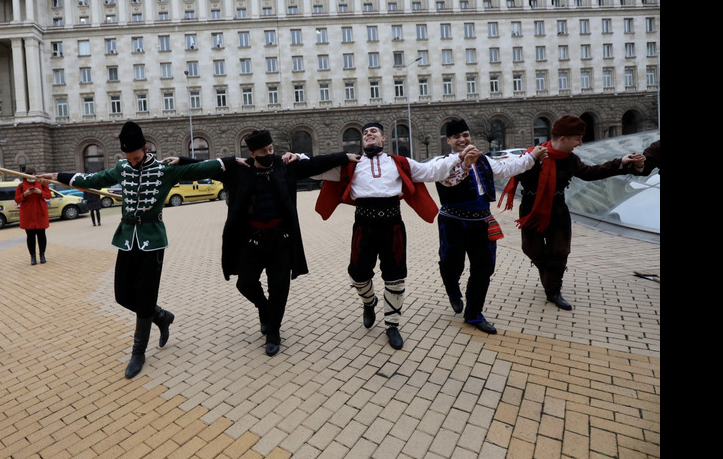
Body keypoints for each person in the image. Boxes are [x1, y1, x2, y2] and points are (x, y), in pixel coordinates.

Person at [39, 121, 225, 378]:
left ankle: (138, 351)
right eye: (129, 157)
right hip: (127, 238)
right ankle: (160, 316)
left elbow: (202, 167)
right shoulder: (122, 167)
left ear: (145, 149)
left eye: (137, 157)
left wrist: (234, 161)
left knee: (145, 296)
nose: (133, 162)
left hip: (152, 240)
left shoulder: (164, 170)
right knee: (122, 295)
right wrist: (57, 176)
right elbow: (92, 179)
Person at [315, 122, 472, 350]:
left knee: (395, 277)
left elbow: (432, 171)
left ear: (383, 139)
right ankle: (370, 302)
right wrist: (294, 158)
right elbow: (315, 169)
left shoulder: (400, 162)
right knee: (358, 275)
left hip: (393, 225)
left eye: (374, 132)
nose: (369, 134)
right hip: (363, 225)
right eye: (365, 133)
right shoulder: (350, 165)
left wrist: (458, 158)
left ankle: (392, 325)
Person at [212, 130, 357, 356]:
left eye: (271, 150)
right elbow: (208, 168)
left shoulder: (284, 165)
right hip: (252, 242)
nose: (269, 154)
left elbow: (316, 164)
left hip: (281, 241)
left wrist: (343, 156)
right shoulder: (241, 171)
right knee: (245, 283)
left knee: (279, 288)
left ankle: (273, 332)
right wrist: (187, 161)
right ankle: (264, 308)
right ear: (251, 153)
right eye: (263, 152)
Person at [499, 115, 645, 310]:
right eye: (577, 139)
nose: (580, 143)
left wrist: (622, 161)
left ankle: (553, 291)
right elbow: (512, 170)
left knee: (559, 251)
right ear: (563, 139)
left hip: (558, 207)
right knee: (531, 248)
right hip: (531, 206)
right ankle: (546, 269)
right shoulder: (534, 155)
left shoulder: (570, 159)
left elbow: (592, 172)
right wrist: (529, 160)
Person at [435, 119, 547, 334]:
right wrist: (465, 163)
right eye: (456, 136)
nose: (462, 139)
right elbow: (451, 181)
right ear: (448, 140)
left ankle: (474, 314)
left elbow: (508, 168)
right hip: (453, 222)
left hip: (482, 222)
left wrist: (532, 156)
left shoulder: (483, 160)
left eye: (465, 134)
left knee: (484, 268)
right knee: (452, 263)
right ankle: (452, 288)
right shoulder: (444, 163)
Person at [15, 168, 51, 266]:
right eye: (28, 175)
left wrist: (40, 192)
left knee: (41, 235)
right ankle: (33, 257)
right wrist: (25, 194)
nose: (30, 177)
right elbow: (17, 199)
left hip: (40, 212)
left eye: (32, 175)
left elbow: (48, 196)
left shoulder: (42, 183)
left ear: (35, 174)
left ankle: (42, 255)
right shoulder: (21, 186)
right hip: (28, 213)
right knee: (30, 236)